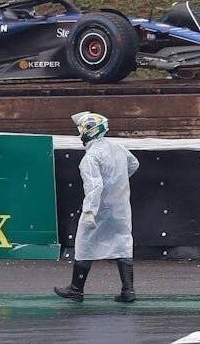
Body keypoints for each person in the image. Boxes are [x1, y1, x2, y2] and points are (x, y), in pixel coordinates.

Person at [54, 111, 140, 303]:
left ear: (87, 132)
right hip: (120, 206)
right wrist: (118, 183)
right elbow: (134, 164)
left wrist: (90, 212)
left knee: (85, 243)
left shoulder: (91, 157)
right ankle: (128, 290)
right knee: (123, 243)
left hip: (100, 207)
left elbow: (94, 186)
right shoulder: (118, 147)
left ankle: (76, 289)